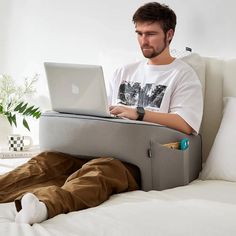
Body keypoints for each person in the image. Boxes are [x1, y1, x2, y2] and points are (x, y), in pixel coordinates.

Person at [0, 2, 203, 225]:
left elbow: (186, 124)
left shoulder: (183, 75)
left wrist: (139, 113)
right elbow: (100, 111)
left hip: (134, 161)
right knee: (46, 162)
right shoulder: (124, 71)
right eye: (139, 33)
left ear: (169, 34)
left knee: (100, 172)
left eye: (151, 34)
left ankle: (46, 206)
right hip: (96, 146)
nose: (143, 40)